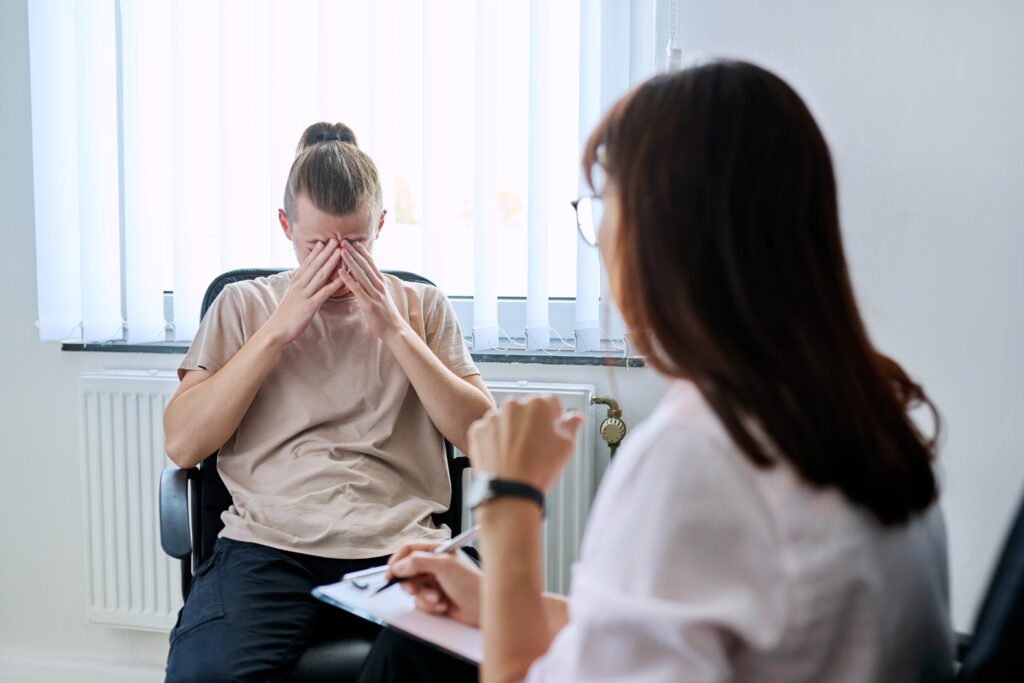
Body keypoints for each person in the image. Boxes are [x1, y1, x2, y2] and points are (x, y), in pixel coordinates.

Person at [356, 60, 955, 682]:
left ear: (658, 234)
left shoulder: (699, 457)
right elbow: (683, 633)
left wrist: (511, 498)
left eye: (603, 205)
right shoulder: (872, 420)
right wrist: (496, 600)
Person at [162, 122, 494, 682]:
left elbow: (487, 439)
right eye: (316, 245)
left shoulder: (422, 306)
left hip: (401, 545)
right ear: (285, 226)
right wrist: (275, 333)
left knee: (473, 660)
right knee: (207, 674)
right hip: (268, 546)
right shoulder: (243, 305)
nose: (337, 263)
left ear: (381, 227)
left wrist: (396, 332)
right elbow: (183, 443)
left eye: (356, 244)